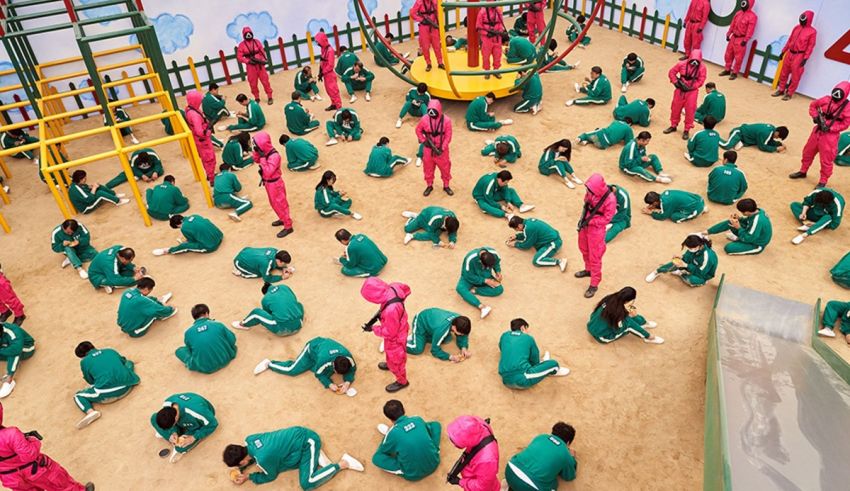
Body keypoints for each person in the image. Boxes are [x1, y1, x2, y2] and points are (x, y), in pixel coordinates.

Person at [0, 402, 95, 490]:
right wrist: (33, 440)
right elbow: (29, 455)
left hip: (10, 478)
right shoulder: (11, 434)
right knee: (60, 483)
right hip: (35, 470)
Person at [224, 430, 364, 488]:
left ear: (242, 461)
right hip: (298, 435)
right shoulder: (249, 439)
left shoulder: (263, 460)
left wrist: (249, 476)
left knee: (307, 483)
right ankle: (314, 458)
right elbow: (259, 453)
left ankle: (343, 463)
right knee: (281, 461)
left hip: (308, 442)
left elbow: (270, 476)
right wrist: (241, 468)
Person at [789, 82, 850, 187]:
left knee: (826, 159)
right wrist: (815, 116)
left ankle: (823, 181)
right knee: (807, 152)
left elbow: (845, 124)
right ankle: (803, 171)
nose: (834, 99)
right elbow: (813, 105)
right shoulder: (826, 99)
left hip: (830, 137)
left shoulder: (847, 107)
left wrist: (831, 128)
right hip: (817, 131)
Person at [253, 337, 356, 395]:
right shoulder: (324, 361)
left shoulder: (348, 357)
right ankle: (269, 364)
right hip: (311, 350)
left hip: (323, 349)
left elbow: (352, 368)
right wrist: (329, 384)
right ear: (333, 365)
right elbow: (319, 374)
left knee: (325, 372)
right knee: (292, 370)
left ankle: (312, 365)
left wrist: (347, 382)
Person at [73, 341, 140, 429]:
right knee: (128, 364)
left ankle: (90, 412)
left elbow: (90, 381)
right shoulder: (109, 350)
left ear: (83, 356)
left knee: (78, 395)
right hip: (128, 385)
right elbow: (124, 361)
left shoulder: (84, 362)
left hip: (107, 394)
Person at [361, 277, 411, 393]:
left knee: (397, 359)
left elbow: (390, 333)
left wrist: (373, 328)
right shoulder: (393, 287)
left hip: (396, 338)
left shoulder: (391, 310)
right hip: (401, 326)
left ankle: (402, 381)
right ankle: (390, 364)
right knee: (390, 353)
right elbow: (406, 289)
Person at [372, 399, 441, 481]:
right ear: (403, 409)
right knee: (435, 425)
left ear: (389, 418)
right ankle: (433, 450)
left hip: (413, 474)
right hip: (434, 462)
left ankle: (403, 469)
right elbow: (432, 427)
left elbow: (383, 451)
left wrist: (388, 435)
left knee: (376, 458)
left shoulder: (392, 433)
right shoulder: (417, 419)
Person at [575, 173, 617, 298]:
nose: (587, 191)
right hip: (585, 225)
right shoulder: (591, 192)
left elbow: (607, 218)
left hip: (596, 230)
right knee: (583, 248)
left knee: (595, 256)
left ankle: (594, 283)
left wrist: (592, 222)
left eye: (589, 189)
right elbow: (586, 203)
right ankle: (588, 270)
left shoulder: (610, 200)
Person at [499, 318, 570, 389]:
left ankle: (543, 365)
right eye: (527, 329)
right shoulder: (528, 337)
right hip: (523, 378)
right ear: (522, 328)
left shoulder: (504, 335)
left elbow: (501, 347)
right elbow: (535, 359)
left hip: (505, 380)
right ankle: (553, 370)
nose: (527, 332)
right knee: (553, 363)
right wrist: (540, 365)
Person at [505, 423, 578, 491]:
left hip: (509, 471)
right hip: (531, 487)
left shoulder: (541, 437)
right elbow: (569, 476)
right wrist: (572, 458)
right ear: (568, 442)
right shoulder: (565, 453)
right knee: (553, 485)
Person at [151, 393, 218, 463]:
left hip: (196, 424)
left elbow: (213, 423)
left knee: (180, 448)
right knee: (153, 418)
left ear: (176, 418)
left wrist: (193, 437)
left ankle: (177, 438)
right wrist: (173, 432)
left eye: (172, 426)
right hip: (182, 420)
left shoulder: (196, 411)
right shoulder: (167, 403)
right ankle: (173, 436)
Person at [253, 131, 295, 238]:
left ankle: (288, 226)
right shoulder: (265, 153)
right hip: (269, 183)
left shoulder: (275, 156)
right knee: (274, 203)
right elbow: (256, 160)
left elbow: (268, 171)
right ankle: (282, 219)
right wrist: (257, 152)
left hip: (275, 183)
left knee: (281, 204)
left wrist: (262, 158)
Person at [586, 287, 662, 343]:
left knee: (628, 319)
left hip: (591, 324)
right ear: (628, 300)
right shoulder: (620, 314)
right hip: (601, 337)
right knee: (629, 325)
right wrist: (648, 335)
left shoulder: (609, 298)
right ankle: (648, 338)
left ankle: (644, 323)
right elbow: (619, 328)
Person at [176, 304, 236, 374]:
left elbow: (190, 350)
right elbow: (232, 339)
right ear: (206, 313)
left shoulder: (188, 333)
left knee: (179, 350)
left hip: (207, 368)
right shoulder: (218, 324)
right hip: (227, 357)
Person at [446, 415, 500, 491]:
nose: (453, 443)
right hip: (482, 475)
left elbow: (482, 487)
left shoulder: (486, 460)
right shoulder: (480, 425)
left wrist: (460, 482)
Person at [703, 198, 772, 255]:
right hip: (751, 234)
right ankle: (706, 232)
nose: (742, 213)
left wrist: (739, 227)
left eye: (742, 212)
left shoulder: (758, 221)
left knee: (728, 248)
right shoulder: (758, 211)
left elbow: (749, 238)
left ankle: (739, 239)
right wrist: (740, 219)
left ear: (747, 212)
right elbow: (749, 221)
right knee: (731, 222)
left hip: (756, 244)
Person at [232, 282, 304, 336]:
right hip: (299, 323)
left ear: (265, 293)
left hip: (282, 329)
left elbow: (267, 313)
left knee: (256, 312)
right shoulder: (284, 287)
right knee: (298, 304)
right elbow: (294, 299)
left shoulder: (265, 298)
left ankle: (242, 324)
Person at [774, 11, 817, 100]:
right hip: (790, 53)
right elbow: (790, 40)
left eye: (803, 20)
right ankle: (781, 89)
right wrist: (783, 51)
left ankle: (789, 93)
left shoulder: (812, 32)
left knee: (795, 76)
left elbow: (810, 46)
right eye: (800, 19)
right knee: (784, 73)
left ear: (808, 20)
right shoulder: (796, 27)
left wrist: (805, 58)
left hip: (799, 55)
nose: (801, 22)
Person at [664, 49, 706, 139]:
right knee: (675, 108)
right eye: (692, 60)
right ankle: (673, 125)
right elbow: (672, 72)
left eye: (697, 61)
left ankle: (687, 129)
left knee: (690, 110)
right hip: (680, 89)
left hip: (692, 91)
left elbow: (701, 80)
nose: (694, 62)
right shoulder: (681, 64)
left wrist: (692, 87)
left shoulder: (702, 68)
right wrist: (676, 82)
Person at [646, 234, 718, 286]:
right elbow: (687, 257)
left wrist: (686, 265)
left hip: (703, 275)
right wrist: (681, 258)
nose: (689, 250)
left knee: (690, 280)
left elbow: (700, 272)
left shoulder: (707, 257)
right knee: (677, 263)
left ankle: (684, 274)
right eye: (688, 248)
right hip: (693, 265)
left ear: (700, 246)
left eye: (691, 248)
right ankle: (657, 272)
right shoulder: (694, 248)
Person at [417, 100, 454, 196]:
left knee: (445, 168)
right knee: (428, 168)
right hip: (428, 150)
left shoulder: (446, 120)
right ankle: (429, 185)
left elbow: (448, 136)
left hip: (442, 151)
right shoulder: (424, 119)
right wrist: (423, 141)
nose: (432, 115)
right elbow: (418, 130)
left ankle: (446, 185)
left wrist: (442, 148)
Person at [406, 308, 471, 361]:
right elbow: (434, 350)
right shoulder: (441, 330)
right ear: (454, 327)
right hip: (421, 321)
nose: (462, 334)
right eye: (461, 333)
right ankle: (397, 343)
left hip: (432, 321)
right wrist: (450, 357)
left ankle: (420, 338)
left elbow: (463, 334)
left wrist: (463, 347)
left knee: (447, 339)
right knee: (417, 349)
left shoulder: (460, 319)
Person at [456, 247, 502, 318]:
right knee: (460, 288)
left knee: (499, 289)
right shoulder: (470, 258)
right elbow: (467, 275)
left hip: (486, 276)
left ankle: (475, 290)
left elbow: (496, 263)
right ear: (480, 261)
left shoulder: (494, 253)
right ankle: (481, 306)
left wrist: (498, 271)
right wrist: (485, 281)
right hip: (470, 278)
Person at [719, 0, 758, 80]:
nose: (743, 4)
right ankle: (727, 69)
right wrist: (728, 34)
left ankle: (735, 72)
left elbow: (750, 30)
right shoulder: (738, 13)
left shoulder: (752, 16)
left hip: (741, 38)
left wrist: (746, 40)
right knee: (728, 54)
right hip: (733, 37)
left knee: (738, 58)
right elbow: (732, 24)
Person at [184, 90, 217, 183]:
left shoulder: (190, 109)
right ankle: (211, 178)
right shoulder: (195, 115)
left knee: (205, 158)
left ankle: (209, 174)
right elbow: (200, 132)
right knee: (209, 158)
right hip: (202, 140)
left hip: (198, 139)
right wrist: (208, 131)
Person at [153, 214, 223, 256]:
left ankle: (169, 250)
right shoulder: (195, 216)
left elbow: (191, 241)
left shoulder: (184, 228)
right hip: (219, 236)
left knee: (185, 246)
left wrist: (186, 242)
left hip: (211, 246)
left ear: (178, 225)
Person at [236, 26, 273, 104]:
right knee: (253, 83)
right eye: (246, 34)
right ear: (244, 35)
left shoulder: (257, 42)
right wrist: (247, 61)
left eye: (250, 33)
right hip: (250, 67)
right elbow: (239, 57)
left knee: (265, 81)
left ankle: (270, 96)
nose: (248, 35)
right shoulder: (242, 45)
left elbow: (262, 51)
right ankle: (257, 98)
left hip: (260, 66)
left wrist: (263, 60)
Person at [0, 323, 34, 398]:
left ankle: (9, 380)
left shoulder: (13, 331)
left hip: (26, 348)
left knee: (13, 352)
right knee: (9, 350)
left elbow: (16, 350)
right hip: (6, 346)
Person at [477, 5, 506, 78]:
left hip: (497, 36)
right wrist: (486, 33)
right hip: (486, 38)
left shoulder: (498, 10)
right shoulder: (482, 11)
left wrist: (499, 32)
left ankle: (496, 70)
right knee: (486, 55)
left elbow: (501, 22)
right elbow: (478, 26)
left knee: (497, 54)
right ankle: (487, 71)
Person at [721, 123, 789, 154]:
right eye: (778, 137)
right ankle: (715, 137)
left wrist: (779, 144)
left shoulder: (771, 129)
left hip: (745, 138)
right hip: (739, 132)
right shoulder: (766, 133)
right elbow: (762, 147)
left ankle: (740, 142)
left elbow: (768, 141)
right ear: (777, 133)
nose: (777, 138)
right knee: (726, 146)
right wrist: (776, 148)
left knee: (736, 147)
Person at [315, 31, 342, 111]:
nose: (317, 43)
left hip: (329, 74)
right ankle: (333, 104)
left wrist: (323, 72)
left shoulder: (330, 51)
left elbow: (330, 65)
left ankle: (339, 108)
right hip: (325, 74)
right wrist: (320, 72)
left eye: (318, 41)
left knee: (333, 91)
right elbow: (322, 60)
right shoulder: (323, 49)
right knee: (328, 90)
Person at [643, 190, 707, 223]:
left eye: (651, 204)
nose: (650, 206)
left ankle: (699, 212)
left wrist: (650, 213)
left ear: (655, 202)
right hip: (698, 198)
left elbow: (663, 216)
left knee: (674, 217)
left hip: (696, 207)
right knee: (674, 207)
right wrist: (655, 207)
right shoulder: (665, 193)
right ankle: (700, 208)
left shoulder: (665, 203)